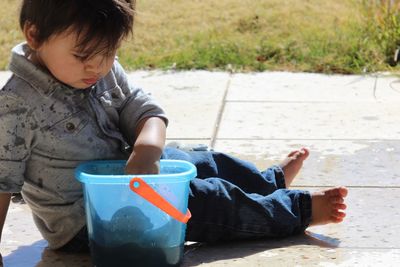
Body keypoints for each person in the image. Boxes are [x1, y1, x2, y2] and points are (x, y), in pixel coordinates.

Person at [0, 0, 347, 259]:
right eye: (83, 55)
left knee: (206, 160)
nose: (97, 66)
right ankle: (296, 210)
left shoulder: (98, 66)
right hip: (93, 220)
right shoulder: (15, 106)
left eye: (109, 52)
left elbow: (143, 109)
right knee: (206, 199)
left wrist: (147, 150)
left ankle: (268, 182)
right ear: (34, 34)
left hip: (136, 170)